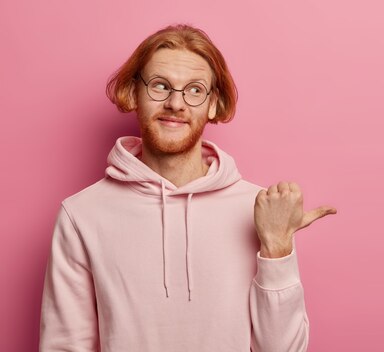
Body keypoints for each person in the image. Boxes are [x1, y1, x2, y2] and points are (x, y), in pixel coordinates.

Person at [38, 24, 337, 352]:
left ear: (212, 105)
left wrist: (278, 247)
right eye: (160, 86)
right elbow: (63, 345)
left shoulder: (258, 209)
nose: (176, 104)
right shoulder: (82, 214)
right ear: (133, 93)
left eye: (194, 90)